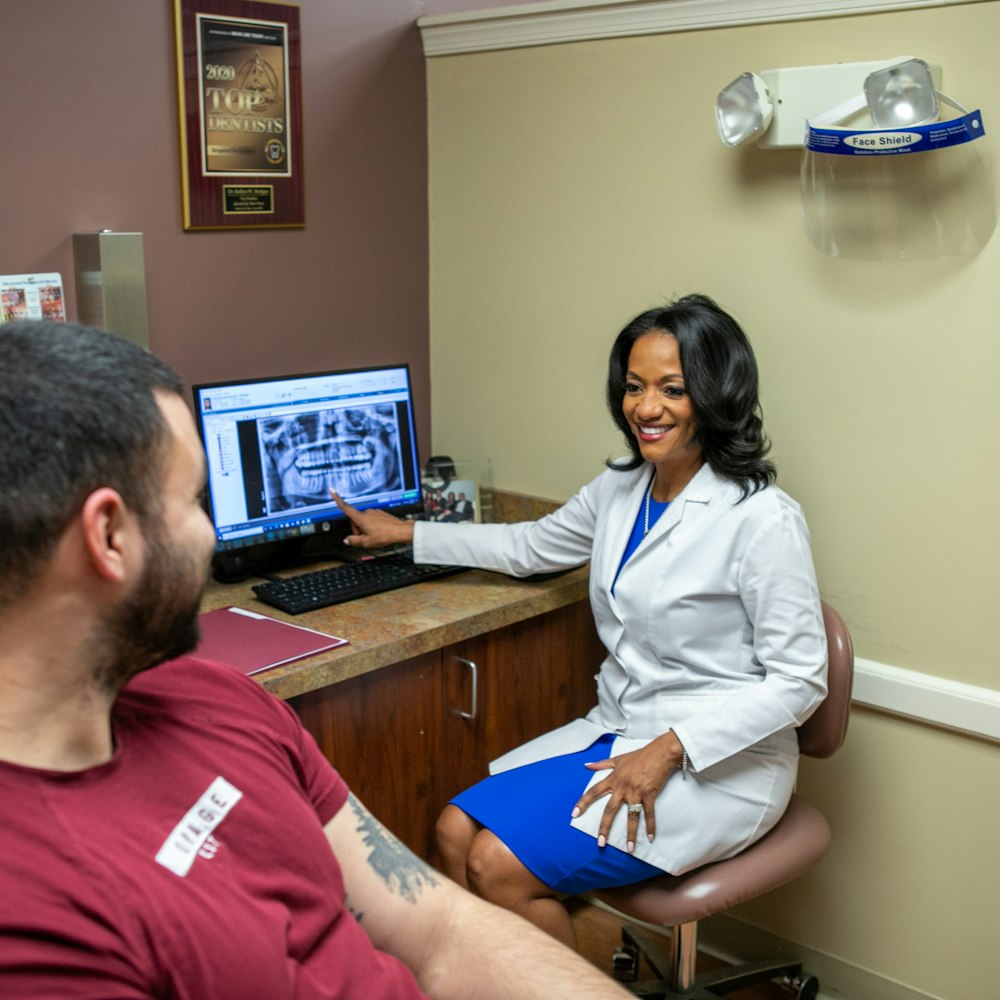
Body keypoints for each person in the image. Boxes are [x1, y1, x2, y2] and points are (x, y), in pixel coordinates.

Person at [0, 319, 632, 999]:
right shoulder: (33, 919)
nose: (211, 532)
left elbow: (441, 928)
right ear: (109, 536)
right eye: (192, 500)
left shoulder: (221, 702)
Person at [333, 294, 829, 949]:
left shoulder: (762, 518)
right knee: (453, 830)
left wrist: (669, 748)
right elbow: (531, 547)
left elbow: (800, 681)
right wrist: (409, 534)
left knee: (496, 866)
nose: (646, 408)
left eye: (672, 389)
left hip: (717, 764)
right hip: (621, 731)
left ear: (716, 393)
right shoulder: (624, 488)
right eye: (633, 386)